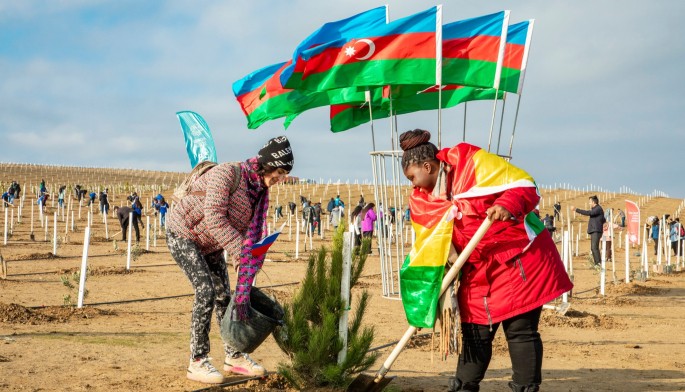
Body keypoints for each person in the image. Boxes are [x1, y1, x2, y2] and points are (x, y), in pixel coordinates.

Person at [398, 129, 573, 392]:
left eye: (413, 177)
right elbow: (427, 244)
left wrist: (507, 204)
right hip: (476, 271)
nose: (412, 184)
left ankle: (525, 388)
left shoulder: (469, 162)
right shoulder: (422, 200)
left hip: (518, 262)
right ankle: (464, 386)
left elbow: (522, 185)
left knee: (520, 331)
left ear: (427, 166)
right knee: (475, 333)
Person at [165, 135, 293, 384]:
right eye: (280, 171)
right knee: (205, 292)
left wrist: (252, 255)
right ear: (266, 164)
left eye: (285, 173)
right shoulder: (228, 173)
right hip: (183, 233)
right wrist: (240, 251)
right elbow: (214, 217)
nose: (282, 178)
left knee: (225, 296)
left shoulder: (258, 193)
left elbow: (247, 229)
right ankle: (198, 361)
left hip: (211, 242)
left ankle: (234, 356)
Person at [571, 196, 605, 266]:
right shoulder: (597, 209)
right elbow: (603, 218)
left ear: (593, 202)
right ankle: (597, 263)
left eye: (590, 202)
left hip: (596, 230)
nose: (589, 203)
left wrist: (576, 209)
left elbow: (589, 213)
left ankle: (598, 264)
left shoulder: (598, 208)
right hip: (595, 230)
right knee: (593, 248)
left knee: (594, 247)